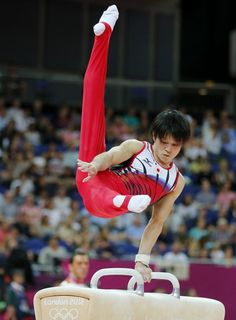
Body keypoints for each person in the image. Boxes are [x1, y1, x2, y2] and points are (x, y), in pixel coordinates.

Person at [76, 5, 191, 282]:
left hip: (113, 198)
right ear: (154, 137)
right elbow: (111, 155)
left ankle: (123, 201)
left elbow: (156, 222)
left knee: (91, 102)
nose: (168, 149)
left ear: (181, 146)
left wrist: (142, 261)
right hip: (95, 174)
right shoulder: (136, 148)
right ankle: (102, 35)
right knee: (93, 99)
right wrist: (96, 164)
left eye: (175, 146)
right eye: (164, 142)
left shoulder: (175, 181)